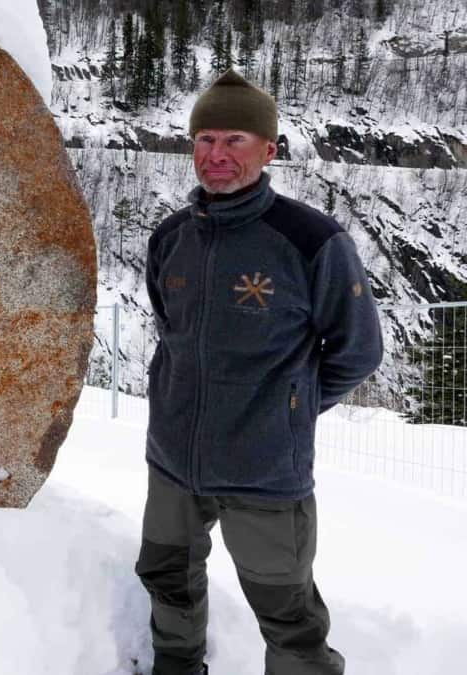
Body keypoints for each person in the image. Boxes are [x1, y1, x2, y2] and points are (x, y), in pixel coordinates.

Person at [137, 70, 383, 675]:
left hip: (264, 468)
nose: (215, 156)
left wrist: (287, 410)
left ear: (269, 150)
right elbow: (171, 330)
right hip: (173, 460)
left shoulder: (311, 241)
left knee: (287, 611)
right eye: (205, 140)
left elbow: (357, 349)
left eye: (235, 141)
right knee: (167, 577)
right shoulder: (171, 237)